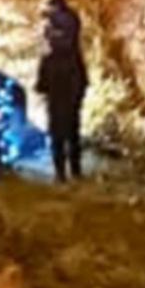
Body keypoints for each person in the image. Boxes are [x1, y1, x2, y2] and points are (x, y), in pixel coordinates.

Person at [35, 28, 89, 183]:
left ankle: (60, 174)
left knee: (57, 139)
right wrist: (78, 98)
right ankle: (76, 172)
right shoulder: (75, 58)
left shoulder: (47, 60)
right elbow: (83, 82)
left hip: (54, 104)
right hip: (72, 105)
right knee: (73, 137)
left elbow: (40, 86)